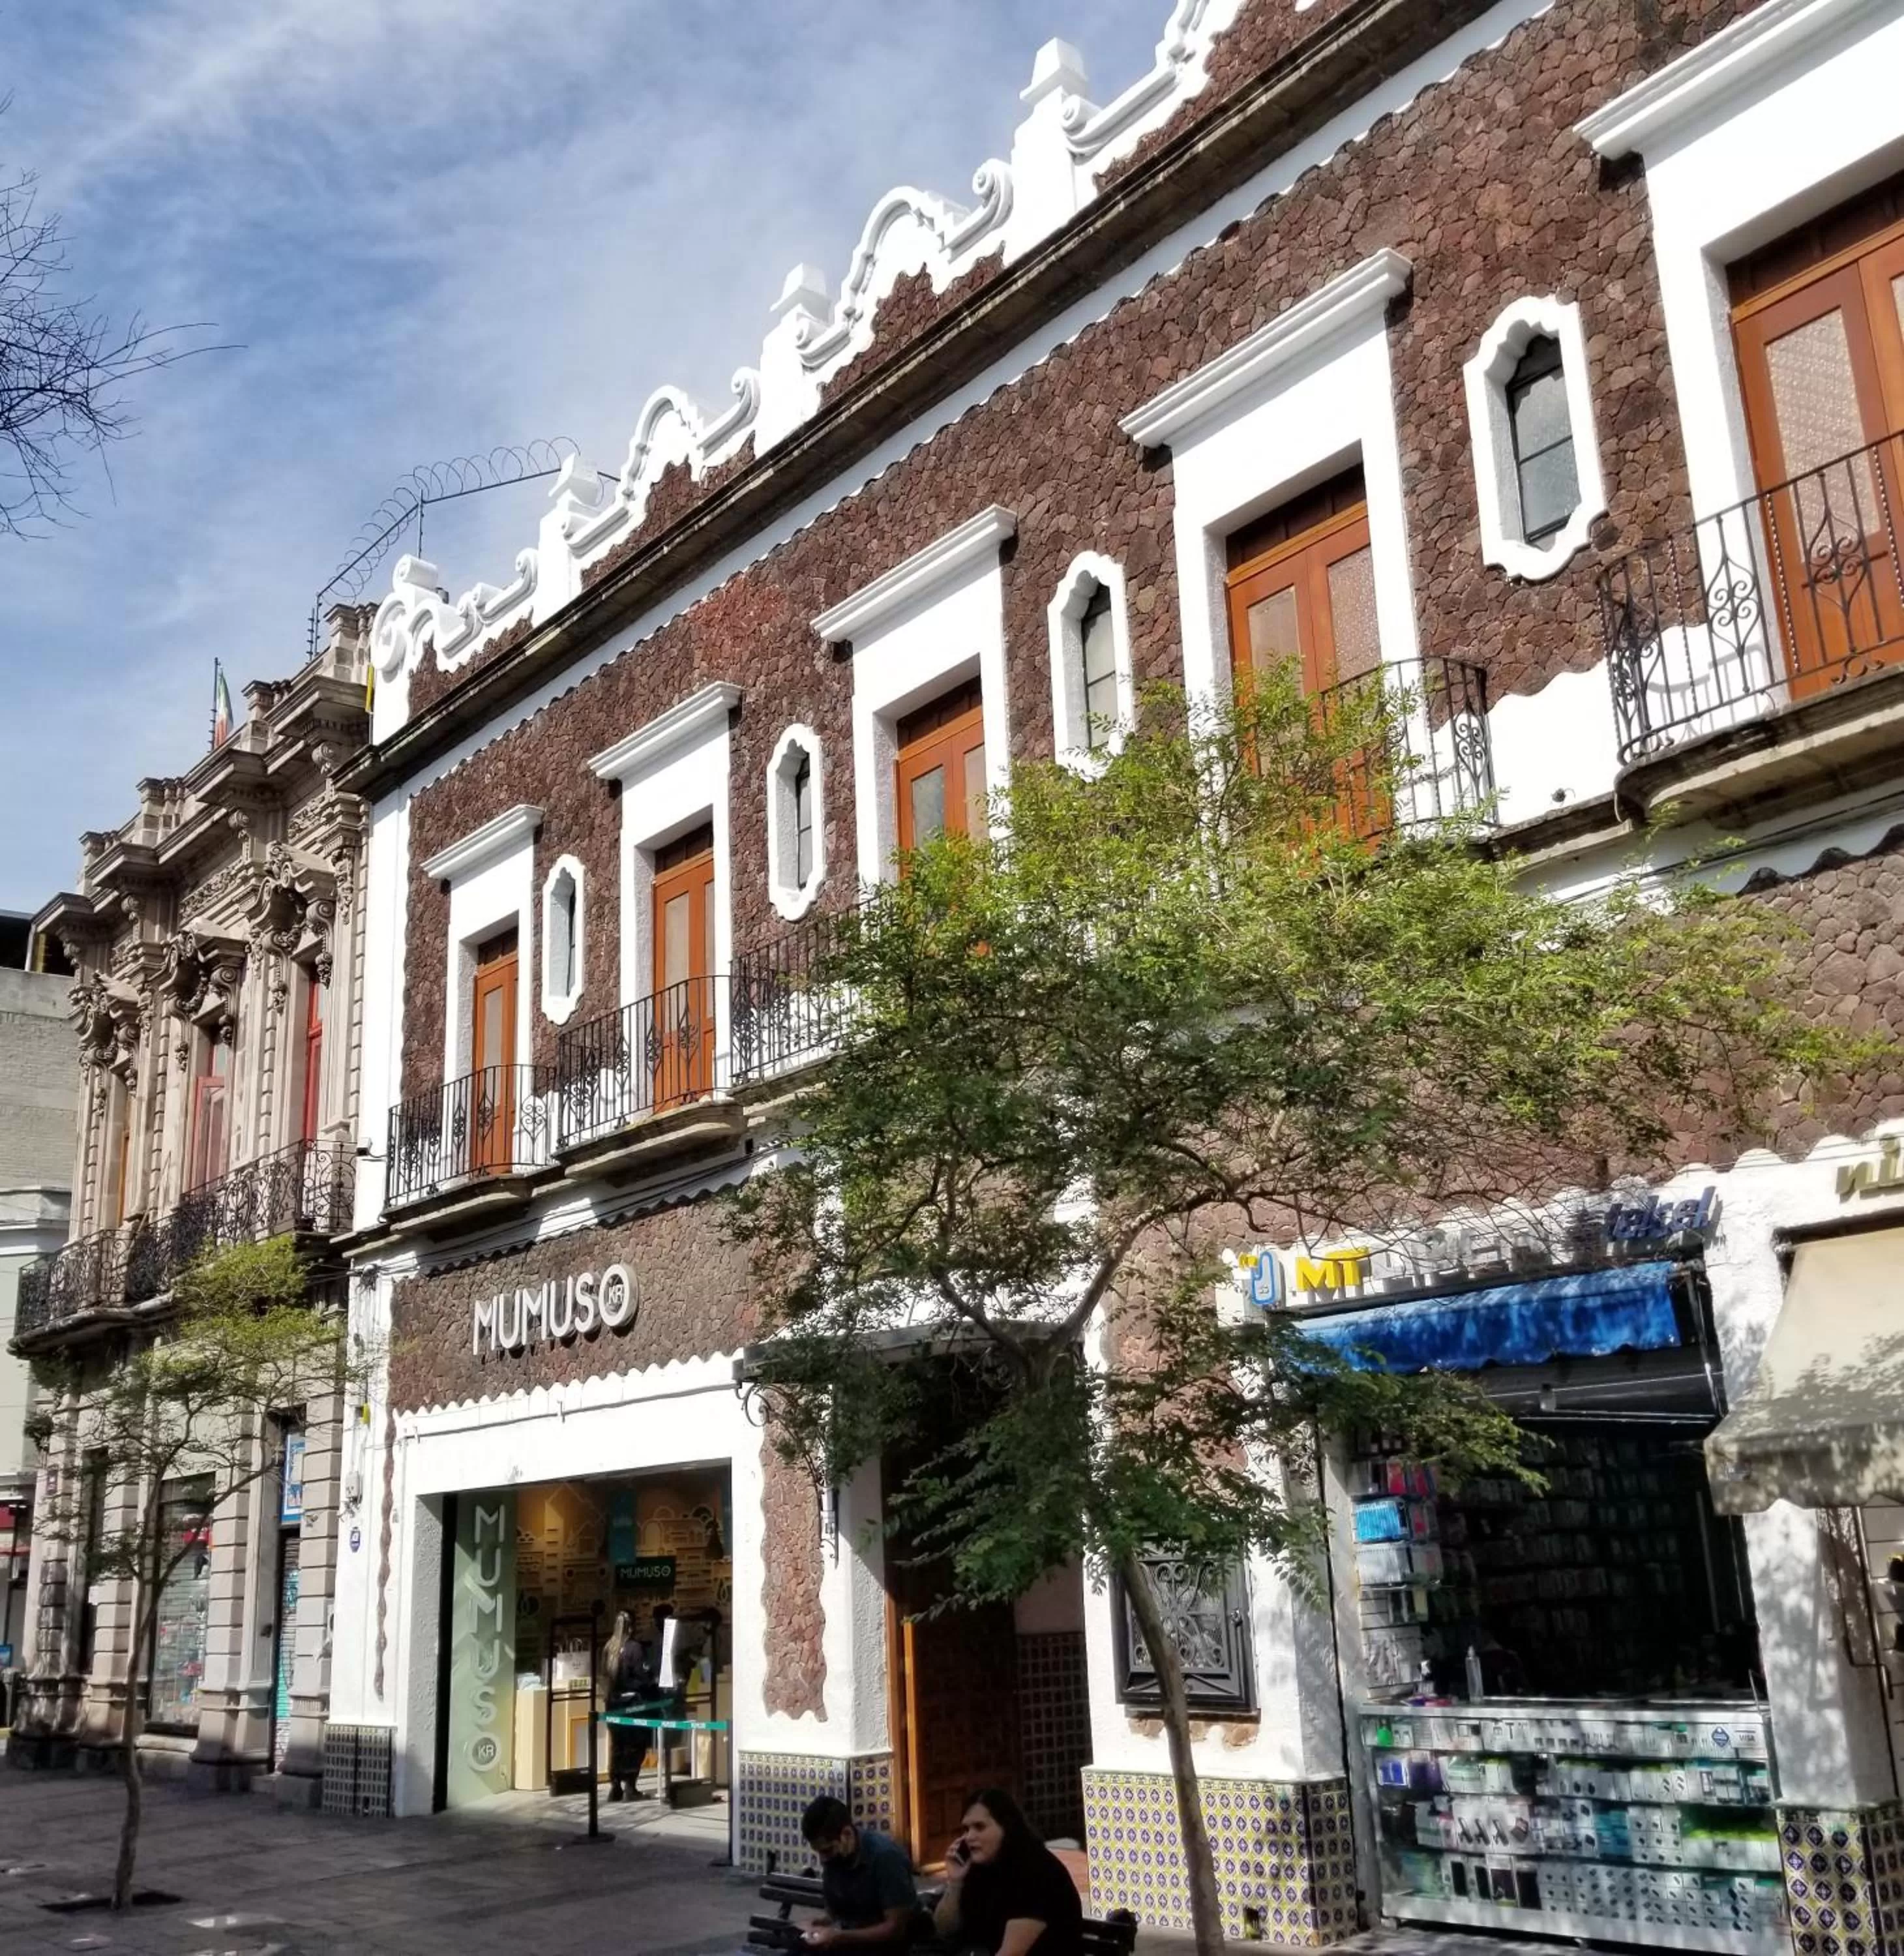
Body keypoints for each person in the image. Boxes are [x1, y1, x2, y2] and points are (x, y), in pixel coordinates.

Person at [933, 1789, 1082, 1956]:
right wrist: (955, 1883)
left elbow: (1012, 1953)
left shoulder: (1036, 1871)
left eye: (979, 1827)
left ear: (1006, 1827)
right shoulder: (980, 1867)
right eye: (966, 1829)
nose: (969, 1837)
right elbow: (945, 1930)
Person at [798, 1796, 919, 1949]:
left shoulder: (885, 1858)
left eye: (827, 1850)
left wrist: (841, 1937)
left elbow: (895, 1929)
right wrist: (819, 1924)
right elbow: (838, 1914)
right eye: (819, 1852)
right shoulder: (835, 1860)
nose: (822, 1859)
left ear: (847, 1834)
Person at [601, 1608, 659, 1801]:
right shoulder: (635, 1649)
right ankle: (630, 1787)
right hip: (632, 1704)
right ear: (632, 1627)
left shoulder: (608, 1648)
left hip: (612, 1704)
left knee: (617, 1745)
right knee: (635, 1746)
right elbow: (645, 1677)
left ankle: (615, 1786)